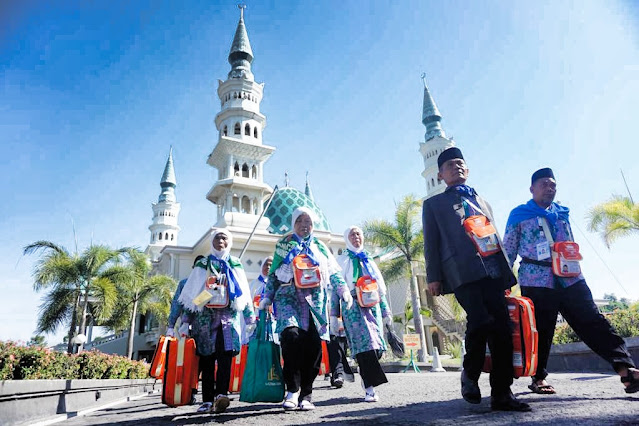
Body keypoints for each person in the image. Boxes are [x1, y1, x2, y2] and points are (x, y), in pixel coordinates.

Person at [503, 167, 639, 395]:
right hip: (537, 279)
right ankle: (538, 378)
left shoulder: (562, 213)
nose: (550, 188)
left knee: (593, 321)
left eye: (553, 185)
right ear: (532, 189)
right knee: (541, 329)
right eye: (544, 184)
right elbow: (508, 249)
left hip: (570, 278)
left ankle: (627, 370)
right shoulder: (519, 215)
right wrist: (505, 280)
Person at [422, 147, 531, 412]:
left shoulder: (482, 200)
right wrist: (434, 277)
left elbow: (493, 236)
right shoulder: (433, 204)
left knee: (502, 331)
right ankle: (469, 374)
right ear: (440, 175)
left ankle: (502, 394)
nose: (456, 168)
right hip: (461, 272)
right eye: (450, 165)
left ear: (467, 170)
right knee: (480, 319)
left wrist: (506, 273)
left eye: (460, 164)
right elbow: (431, 243)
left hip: (492, 270)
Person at [260, 207, 352, 411]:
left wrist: (343, 289)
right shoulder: (284, 246)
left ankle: (306, 394)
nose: (304, 225)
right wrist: (267, 296)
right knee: (291, 337)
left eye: (308, 221)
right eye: (300, 221)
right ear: (293, 223)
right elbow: (274, 273)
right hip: (288, 299)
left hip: (315, 301)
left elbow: (333, 272)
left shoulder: (319, 247)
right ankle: (292, 390)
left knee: (313, 346)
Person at [177, 229, 256, 414]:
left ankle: (221, 395)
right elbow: (192, 297)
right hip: (204, 321)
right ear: (212, 241)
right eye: (218, 237)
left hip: (228, 320)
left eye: (224, 238)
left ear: (230, 242)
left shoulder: (235, 263)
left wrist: (249, 317)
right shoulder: (203, 264)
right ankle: (206, 400)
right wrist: (186, 320)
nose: (221, 240)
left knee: (225, 357)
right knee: (207, 360)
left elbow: (243, 292)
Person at [335, 226, 392, 402]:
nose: (356, 237)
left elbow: (380, 287)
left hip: (372, 302)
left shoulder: (369, 259)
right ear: (346, 238)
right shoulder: (342, 260)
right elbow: (334, 288)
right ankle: (370, 388)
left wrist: (385, 311)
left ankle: (364, 372)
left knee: (376, 347)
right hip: (352, 305)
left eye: (358, 234)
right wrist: (333, 316)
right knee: (363, 346)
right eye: (352, 234)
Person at [165, 254, 205, 406]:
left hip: (206, 331)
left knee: (202, 363)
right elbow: (177, 304)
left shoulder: (210, 284)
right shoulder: (185, 283)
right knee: (191, 363)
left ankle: (197, 393)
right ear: (194, 268)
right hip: (188, 329)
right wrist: (171, 325)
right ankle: (188, 393)